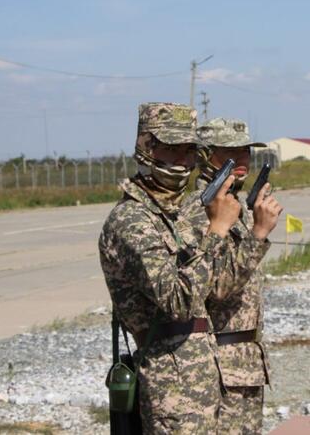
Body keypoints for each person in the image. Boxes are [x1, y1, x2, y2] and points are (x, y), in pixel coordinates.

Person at [99, 103, 242, 433]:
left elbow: (218, 288)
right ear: (148, 149)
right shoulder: (131, 221)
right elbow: (178, 301)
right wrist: (217, 230)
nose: (183, 160)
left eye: (189, 150)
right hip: (171, 385)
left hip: (201, 372)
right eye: (172, 149)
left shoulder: (179, 213)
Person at [180, 117, 282, 435]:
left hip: (242, 363)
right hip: (219, 364)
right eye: (230, 152)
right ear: (205, 156)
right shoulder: (200, 211)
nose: (241, 160)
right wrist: (259, 234)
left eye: (246, 152)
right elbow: (216, 287)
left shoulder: (233, 205)